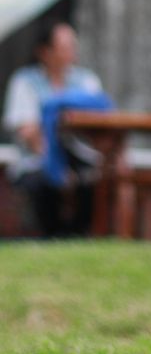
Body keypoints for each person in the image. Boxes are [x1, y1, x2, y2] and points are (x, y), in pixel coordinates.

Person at [2, 23, 108, 237]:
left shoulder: (86, 82)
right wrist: (55, 164)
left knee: (92, 181)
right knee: (44, 180)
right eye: (65, 47)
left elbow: (101, 125)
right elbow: (27, 131)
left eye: (72, 46)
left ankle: (81, 236)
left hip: (80, 157)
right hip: (37, 158)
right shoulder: (26, 82)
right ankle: (50, 236)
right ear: (45, 52)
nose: (71, 52)